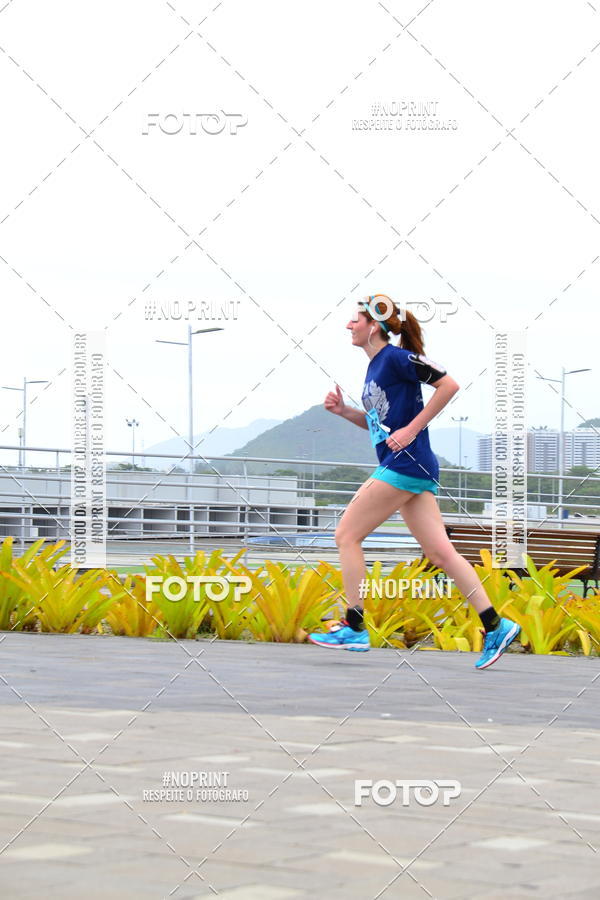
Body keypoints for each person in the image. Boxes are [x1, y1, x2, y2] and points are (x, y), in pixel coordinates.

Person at [308, 294, 520, 669]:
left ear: (374, 325)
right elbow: (380, 426)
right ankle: (495, 624)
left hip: (406, 464)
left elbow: (449, 385)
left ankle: (354, 626)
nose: (348, 326)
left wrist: (411, 429)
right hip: (407, 464)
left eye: (354, 319)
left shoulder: (396, 358)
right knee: (440, 554)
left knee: (347, 535)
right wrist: (344, 412)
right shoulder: (375, 367)